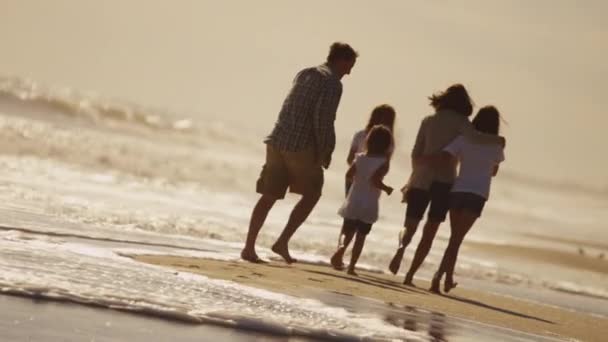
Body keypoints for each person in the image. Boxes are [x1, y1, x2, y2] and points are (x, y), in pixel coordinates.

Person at [241, 42, 358, 263]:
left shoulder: (305, 72)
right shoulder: (332, 83)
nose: (349, 72)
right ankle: (282, 241)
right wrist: (325, 150)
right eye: (349, 66)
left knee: (269, 194)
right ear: (341, 60)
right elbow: (322, 119)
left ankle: (249, 247)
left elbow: (288, 106)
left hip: (277, 139)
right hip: (301, 146)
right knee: (313, 193)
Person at [388, 84, 505, 285]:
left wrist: (421, 167)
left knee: (411, 225)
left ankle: (401, 250)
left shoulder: (428, 121)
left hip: (421, 178)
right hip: (445, 182)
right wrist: (498, 139)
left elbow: (416, 153)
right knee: (430, 232)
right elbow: (476, 138)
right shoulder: (463, 124)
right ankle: (410, 276)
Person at [429, 106, 505, 293]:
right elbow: (494, 171)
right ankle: (438, 277)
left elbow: (446, 156)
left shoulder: (464, 139)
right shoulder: (496, 144)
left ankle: (447, 278)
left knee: (455, 238)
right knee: (456, 239)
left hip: (458, 190)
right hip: (477, 194)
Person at [330, 104, 396, 270]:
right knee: (362, 234)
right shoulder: (389, 141)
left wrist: (359, 174)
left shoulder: (360, 138)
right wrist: (386, 188)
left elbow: (349, 165)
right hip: (370, 200)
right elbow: (378, 177)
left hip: (354, 189)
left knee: (348, 224)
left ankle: (340, 250)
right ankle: (351, 265)